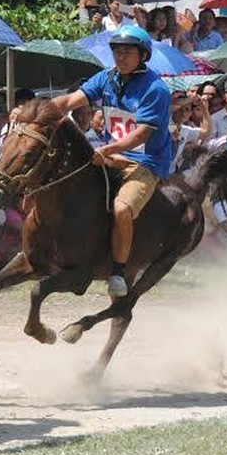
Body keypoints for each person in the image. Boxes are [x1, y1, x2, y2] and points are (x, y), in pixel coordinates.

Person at [49, 26, 172, 298]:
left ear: (143, 55)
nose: (121, 56)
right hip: (109, 154)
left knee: (121, 210)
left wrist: (106, 149)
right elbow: (71, 100)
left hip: (145, 162)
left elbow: (140, 135)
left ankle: (118, 271)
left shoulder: (156, 89)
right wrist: (41, 110)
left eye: (127, 51)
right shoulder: (105, 78)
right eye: (116, 51)